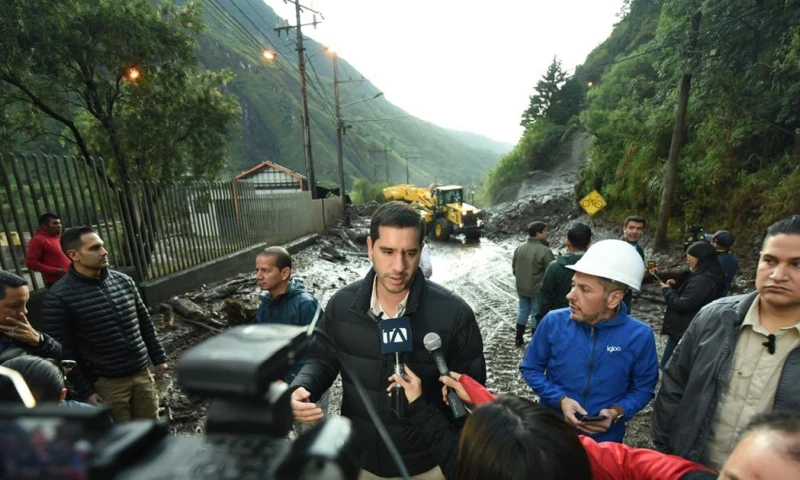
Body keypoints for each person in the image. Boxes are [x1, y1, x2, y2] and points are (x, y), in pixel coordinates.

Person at [289, 201, 486, 479]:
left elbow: (473, 394)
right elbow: (322, 358)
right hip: (360, 463)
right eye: (388, 251)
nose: (398, 266)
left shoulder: (455, 315)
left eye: (410, 253)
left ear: (421, 251)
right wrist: (303, 385)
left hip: (427, 467)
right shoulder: (341, 305)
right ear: (370, 247)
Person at [652, 215, 800, 470]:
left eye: (796, 264)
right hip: (694, 468)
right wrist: (664, 456)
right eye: (770, 261)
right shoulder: (714, 318)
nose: (778, 275)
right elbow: (674, 386)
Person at [391, 366, 712, 480]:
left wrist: (418, 403)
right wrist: (480, 398)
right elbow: (626, 463)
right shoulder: (563, 458)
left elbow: (451, 454)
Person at [520, 239, 659, 443]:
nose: (570, 295)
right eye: (573, 285)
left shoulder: (640, 335)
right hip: (552, 432)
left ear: (613, 299)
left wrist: (617, 412)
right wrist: (560, 400)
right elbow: (531, 368)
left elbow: (643, 389)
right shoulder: (553, 322)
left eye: (584, 289)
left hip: (604, 441)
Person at [40, 227, 168, 423]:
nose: (104, 252)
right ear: (74, 255)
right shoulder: (59, 297)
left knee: (150, 429)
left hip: (142, 374)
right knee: (121, 436)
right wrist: (86, 392)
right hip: (106, 384)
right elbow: (63, 352)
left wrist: (158, 357)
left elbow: (144, 322)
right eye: (95, 248)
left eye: (102, 246)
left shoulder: (124, 281)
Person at [659, 241, 727, 367]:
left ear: (700, 259)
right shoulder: (706, 274)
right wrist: (677, 286)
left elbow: (683, 304)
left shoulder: (704, 280)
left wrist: (667, 291)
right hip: (689, 327)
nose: (688, 261)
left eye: (690, 258)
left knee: (669, 365)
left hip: (685, 329)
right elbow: (693, 294)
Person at [0, 270, 61, 364]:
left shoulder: (17, 328)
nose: (25, 311)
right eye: (14, 306)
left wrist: (40, 341)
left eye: (26, 303)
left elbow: (57, 352)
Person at [537, 223, 592, 321]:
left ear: (567, 243)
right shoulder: (597, 267)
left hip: (559, 318)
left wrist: (541, 321)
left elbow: (544, 298)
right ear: (589, 242)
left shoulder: (554, 267)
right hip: (588, 317)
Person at [512, 221, 554, 347]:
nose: (547, 233)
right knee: (536, 313)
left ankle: (518, 337)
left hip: (521, 287)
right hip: (537, 289)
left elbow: (514, 267)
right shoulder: (545, 251)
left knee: (523, 310)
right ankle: (535, 341)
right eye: (545, 231)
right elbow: (551, 272)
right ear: (538, 234)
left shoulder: (520, 247)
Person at [24, 213, 71, 288]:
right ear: (44, 226)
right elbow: (31, 263)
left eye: (60, 223)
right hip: (57, 283)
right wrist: (57, 270)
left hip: (72, 278)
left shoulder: (60, 238)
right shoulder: (38, 240)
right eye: (55, 223)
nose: (60, 226)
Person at [621, 215, 647, 310]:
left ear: (642, 232)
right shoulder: (614, 246)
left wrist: (649, 270)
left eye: (638, 229)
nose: (635, 232)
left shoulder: (639, 250)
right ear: (624, 229)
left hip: (627, 293)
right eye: (631, 228)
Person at [710, 230, 739, 296]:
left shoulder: (714, 260)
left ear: (715, 244)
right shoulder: (734, 260)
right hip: (723, 294)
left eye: (712, 241)